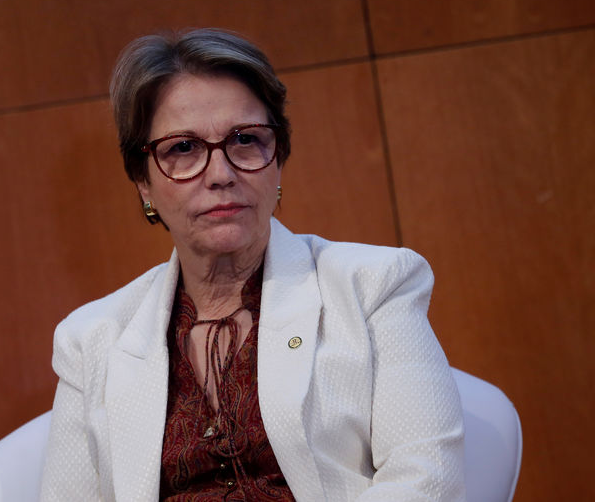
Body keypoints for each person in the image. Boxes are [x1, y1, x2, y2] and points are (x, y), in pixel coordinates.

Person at [40, 28, 465, 501]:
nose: (221, 175)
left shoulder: (373, 286)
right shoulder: (91, 340)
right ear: (143, 182)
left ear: (277, 156)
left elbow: (427, 478)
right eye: (183, 149)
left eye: (245, 140)